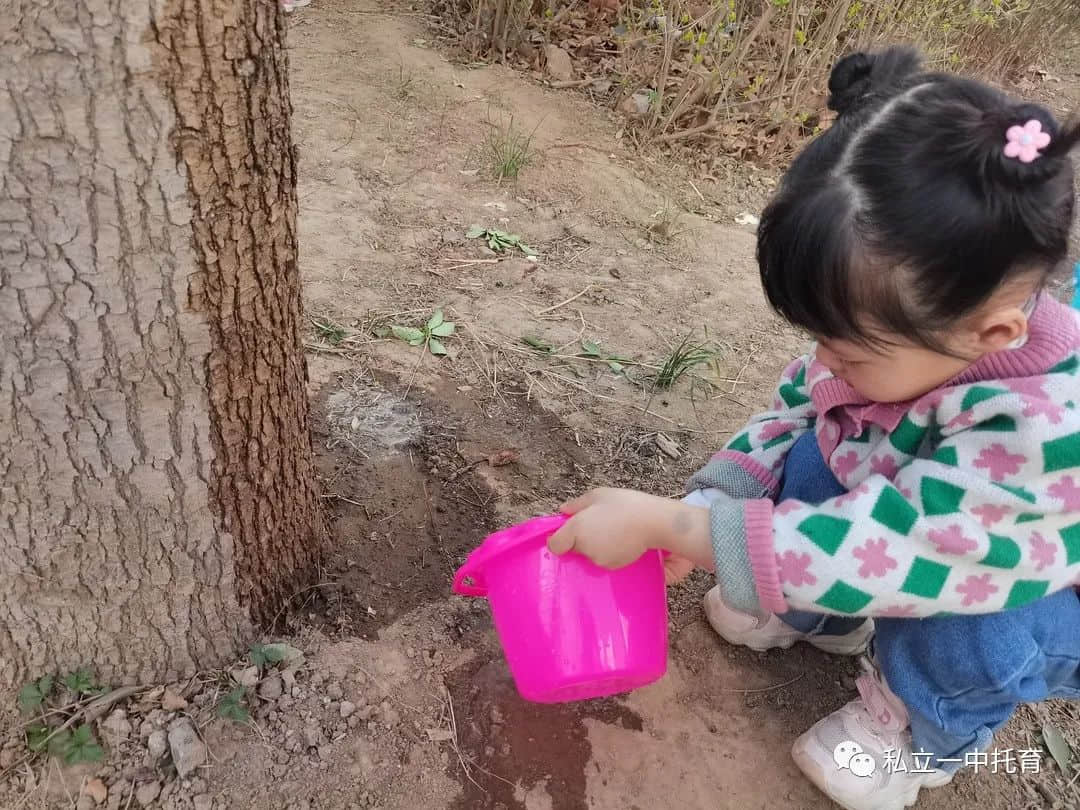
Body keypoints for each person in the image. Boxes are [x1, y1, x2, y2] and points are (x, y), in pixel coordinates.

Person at [547, 47, 1080, 810]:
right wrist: (704, 511)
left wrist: (689, 532)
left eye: (849, 346)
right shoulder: (897, 344)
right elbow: (796, 407)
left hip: (1019, 586)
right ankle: (817, 613)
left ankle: (922, 733)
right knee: (825, 437)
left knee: (969, 629)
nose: (821, 358)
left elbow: (906, 550)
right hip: (912, 531)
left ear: (987, 335)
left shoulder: (1043, 432)